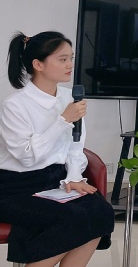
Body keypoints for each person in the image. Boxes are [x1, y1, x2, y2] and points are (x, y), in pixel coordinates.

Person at [0, 31, 114, 267]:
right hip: (15, 188)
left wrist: (73, 177)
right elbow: (27, 158)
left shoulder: (69, 98)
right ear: (38, 64)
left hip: (56, 181)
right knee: (72, 218)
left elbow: (75, 146)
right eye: (62, 59)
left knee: (101, 212)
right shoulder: (15, 105)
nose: (70, 65)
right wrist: (63, 120)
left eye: (70, 58)